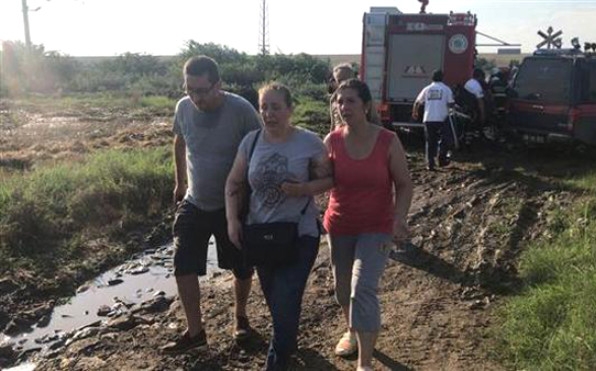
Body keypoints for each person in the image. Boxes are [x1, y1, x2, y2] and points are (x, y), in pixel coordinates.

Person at [225, 83, 333, 370]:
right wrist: (232, 221)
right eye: (264, 107)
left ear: (290, 109)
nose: (269, 114)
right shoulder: (251, 141)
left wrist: (305, 188)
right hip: (261, 235)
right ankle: (288, 340)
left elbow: (330, 179)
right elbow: (233, 183)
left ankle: (277, 362)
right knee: (277, 299)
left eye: (275, 107)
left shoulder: (309, 142)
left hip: (300, 233)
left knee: (286, 295)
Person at [161, 55, 262, 354]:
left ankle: (240, 317)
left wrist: (250, 197)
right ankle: (195, 332)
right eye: (190, 89)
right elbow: (179, 141)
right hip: (195, 200)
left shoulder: (241, 110)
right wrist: (180, 182)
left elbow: (258, 150)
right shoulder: (183, 107)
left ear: (218, 85)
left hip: (232, 204)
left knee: (241, 267)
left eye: (202, 90)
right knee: (183, 265)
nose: (195, 97)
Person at [324, 78, 413, 371]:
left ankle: (364, 364)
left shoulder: (387, 140)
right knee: (342, 289)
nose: (343, 106)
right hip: (339, 224)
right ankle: (351, 330)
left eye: (350, 100)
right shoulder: (332, 140)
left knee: (362, 288)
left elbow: (404, 184)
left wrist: (398, 219)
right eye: (339, 101)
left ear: (365, 105)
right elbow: (319, 179)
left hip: (377, 226)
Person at [412, 69, 455, 170]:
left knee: (430, 141)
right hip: (442, 118)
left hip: (429, 118)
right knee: (444, 139)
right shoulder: (446, 89)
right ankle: (442, 159)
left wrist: (415, 112)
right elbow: (451, 103)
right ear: (442, 77)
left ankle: (430, 164)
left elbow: (417, 102)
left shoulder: (427, 89)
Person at [329, 63, 357, 133]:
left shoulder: (361, 97)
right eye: (340, 81)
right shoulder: (333, 99)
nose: (344, 83)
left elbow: (374, 120)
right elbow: (333, 124)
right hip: (340, 138)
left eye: (346, 80)